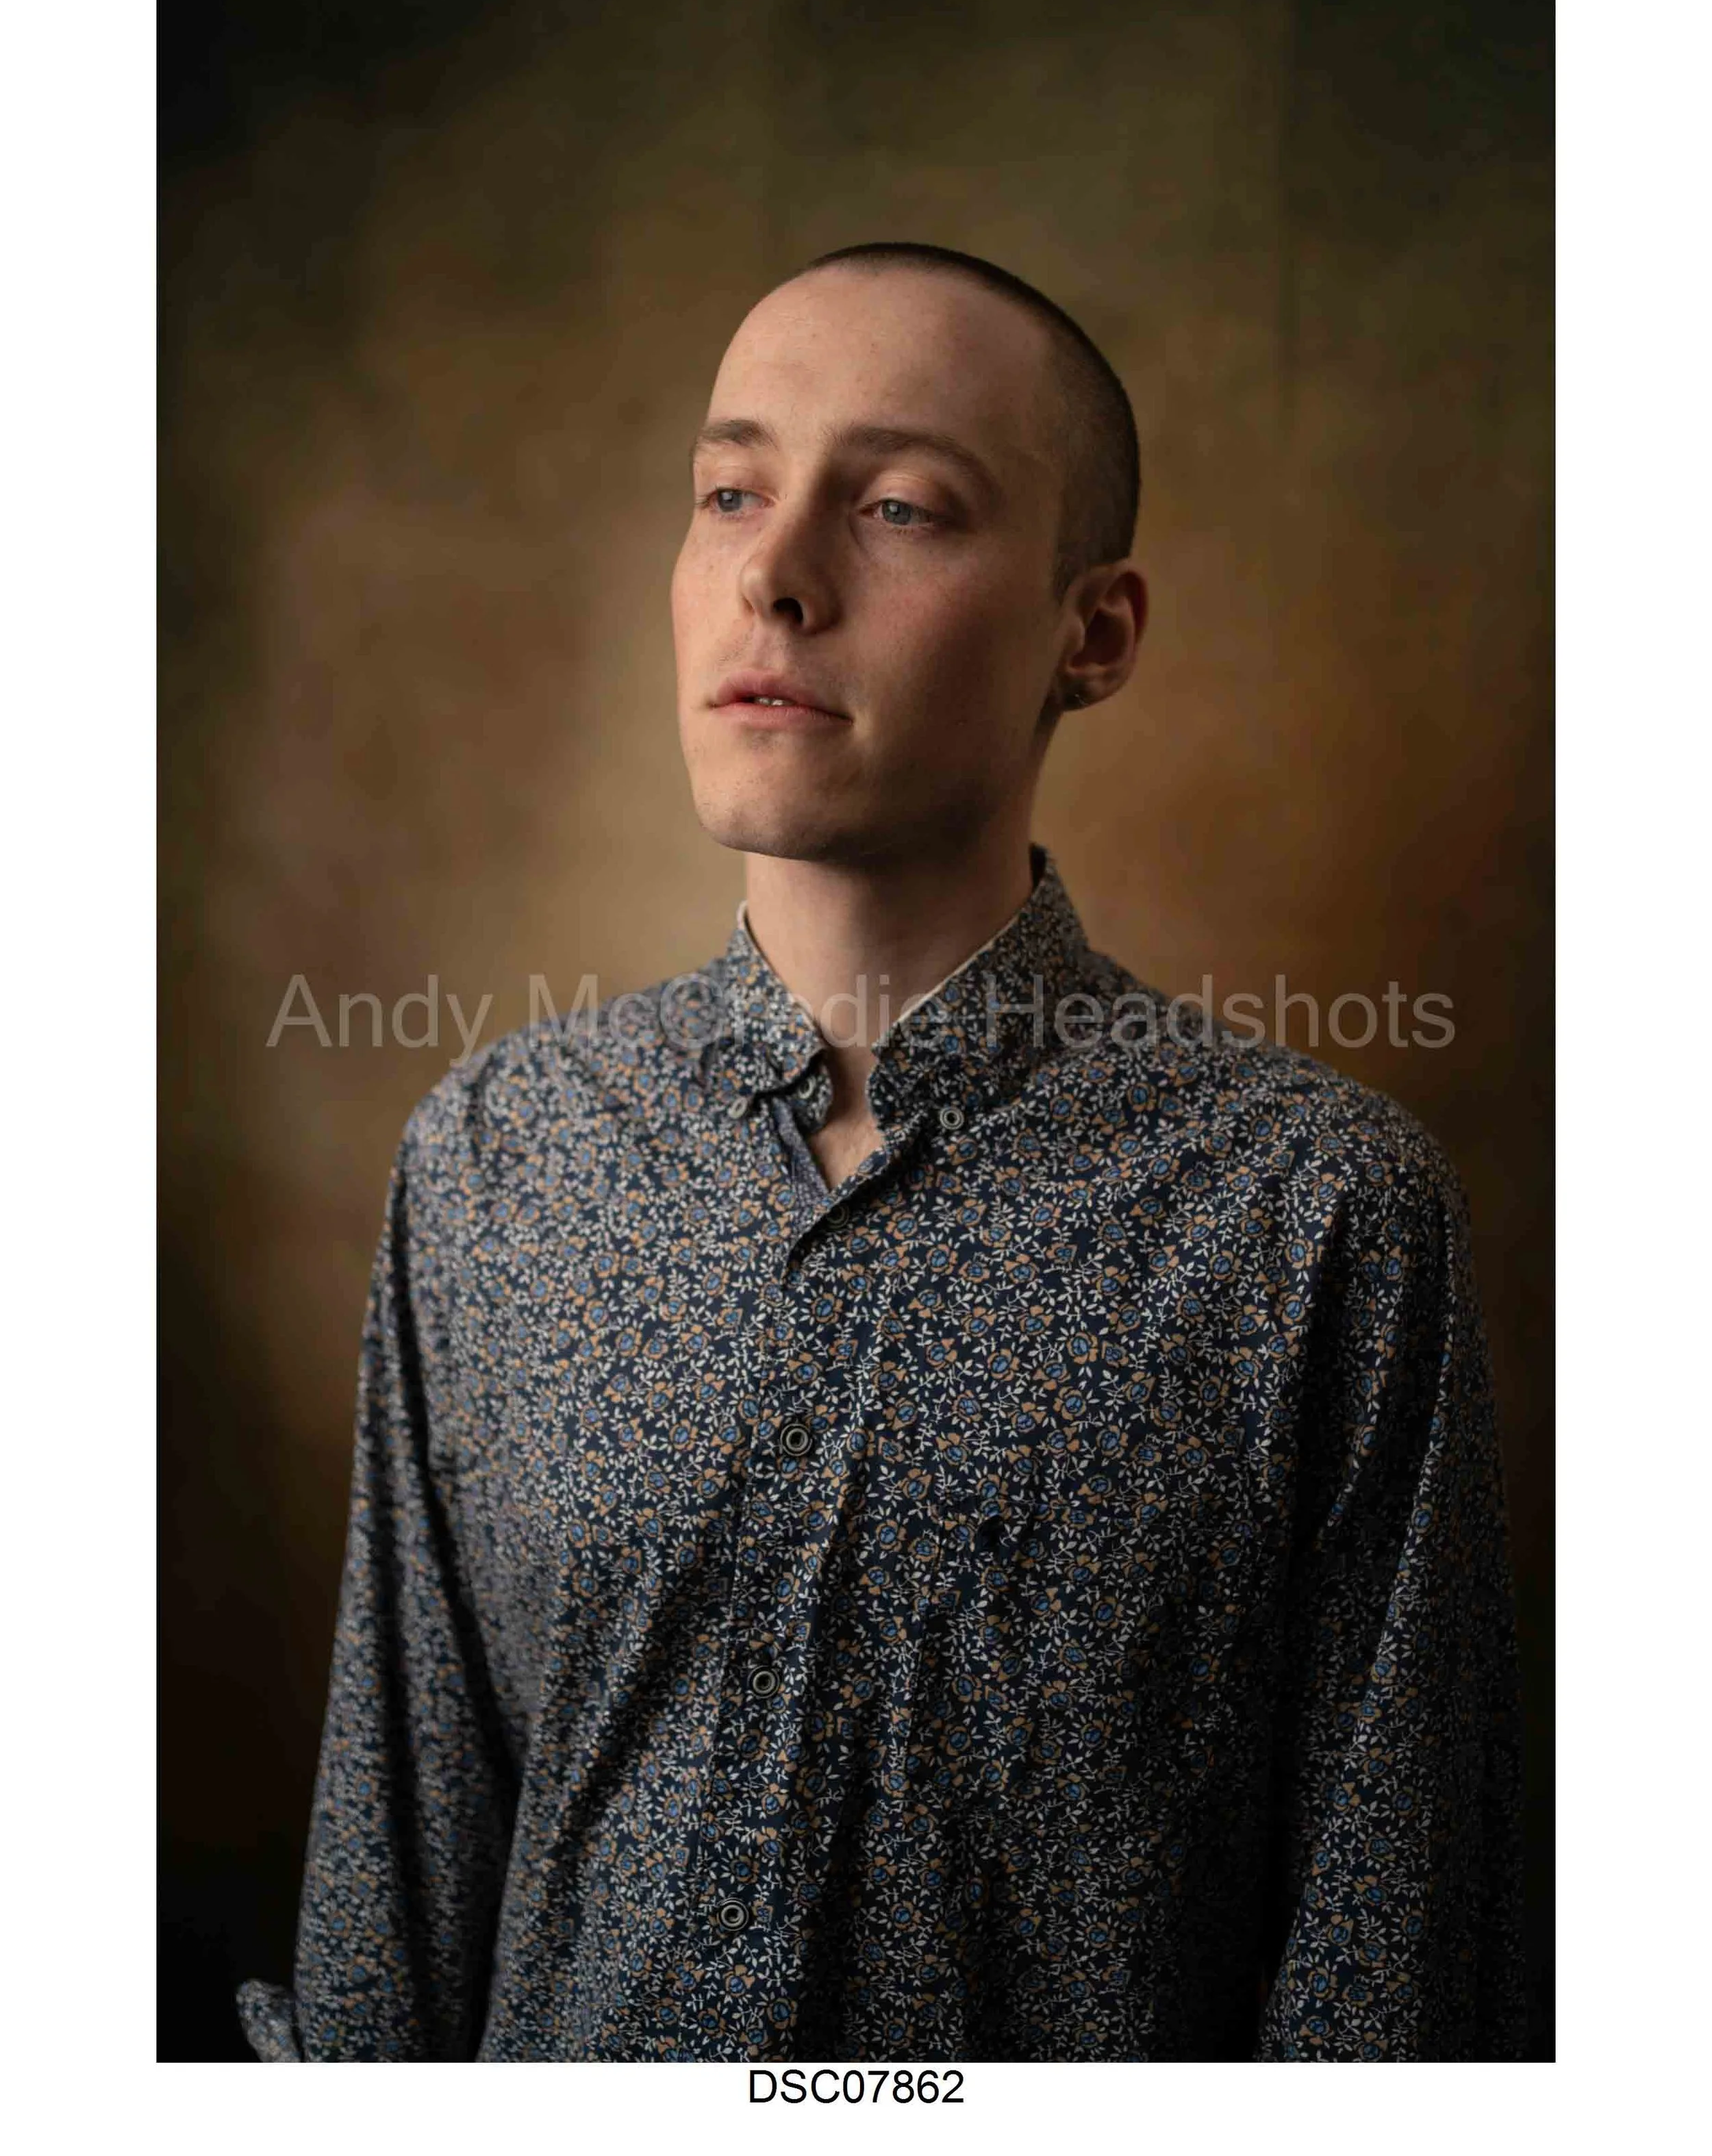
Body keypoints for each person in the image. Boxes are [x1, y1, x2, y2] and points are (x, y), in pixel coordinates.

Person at [237, 242, 1528, 2062]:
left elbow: (1391, 1973)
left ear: (1094, 632)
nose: (771, 576)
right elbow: (398, 1894)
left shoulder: (1315, 1217)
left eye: (902, 505)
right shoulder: (496, 1164)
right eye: (729, 493)